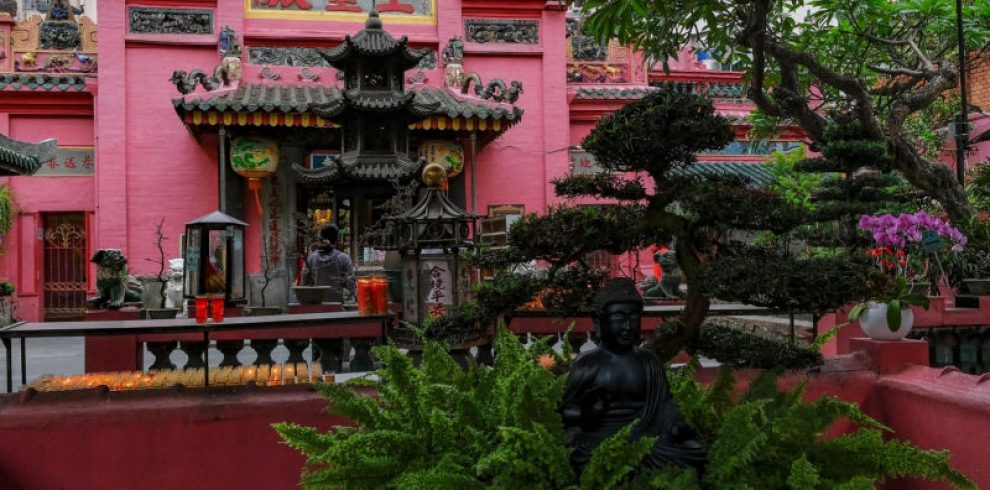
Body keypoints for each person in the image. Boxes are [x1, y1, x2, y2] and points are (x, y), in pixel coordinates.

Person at [560, 277, 706, 474]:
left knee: (693, 452)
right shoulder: (588, 363)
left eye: (634, 318)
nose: (628, 326)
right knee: (582, 456)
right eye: (619, 318)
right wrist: (587, 415)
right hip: (600, 438)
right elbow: (565, 411)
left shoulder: (648, 361)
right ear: (598, 324)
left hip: (645, 437)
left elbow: (664, 405)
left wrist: (676, 426)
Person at [301, 224, 355, 303]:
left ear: (321, 239)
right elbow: (350, 285)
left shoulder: (311, 258)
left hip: (316, 305)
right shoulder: (344, 258)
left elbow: (304, 285)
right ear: (336, 239)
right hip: (337, 306)